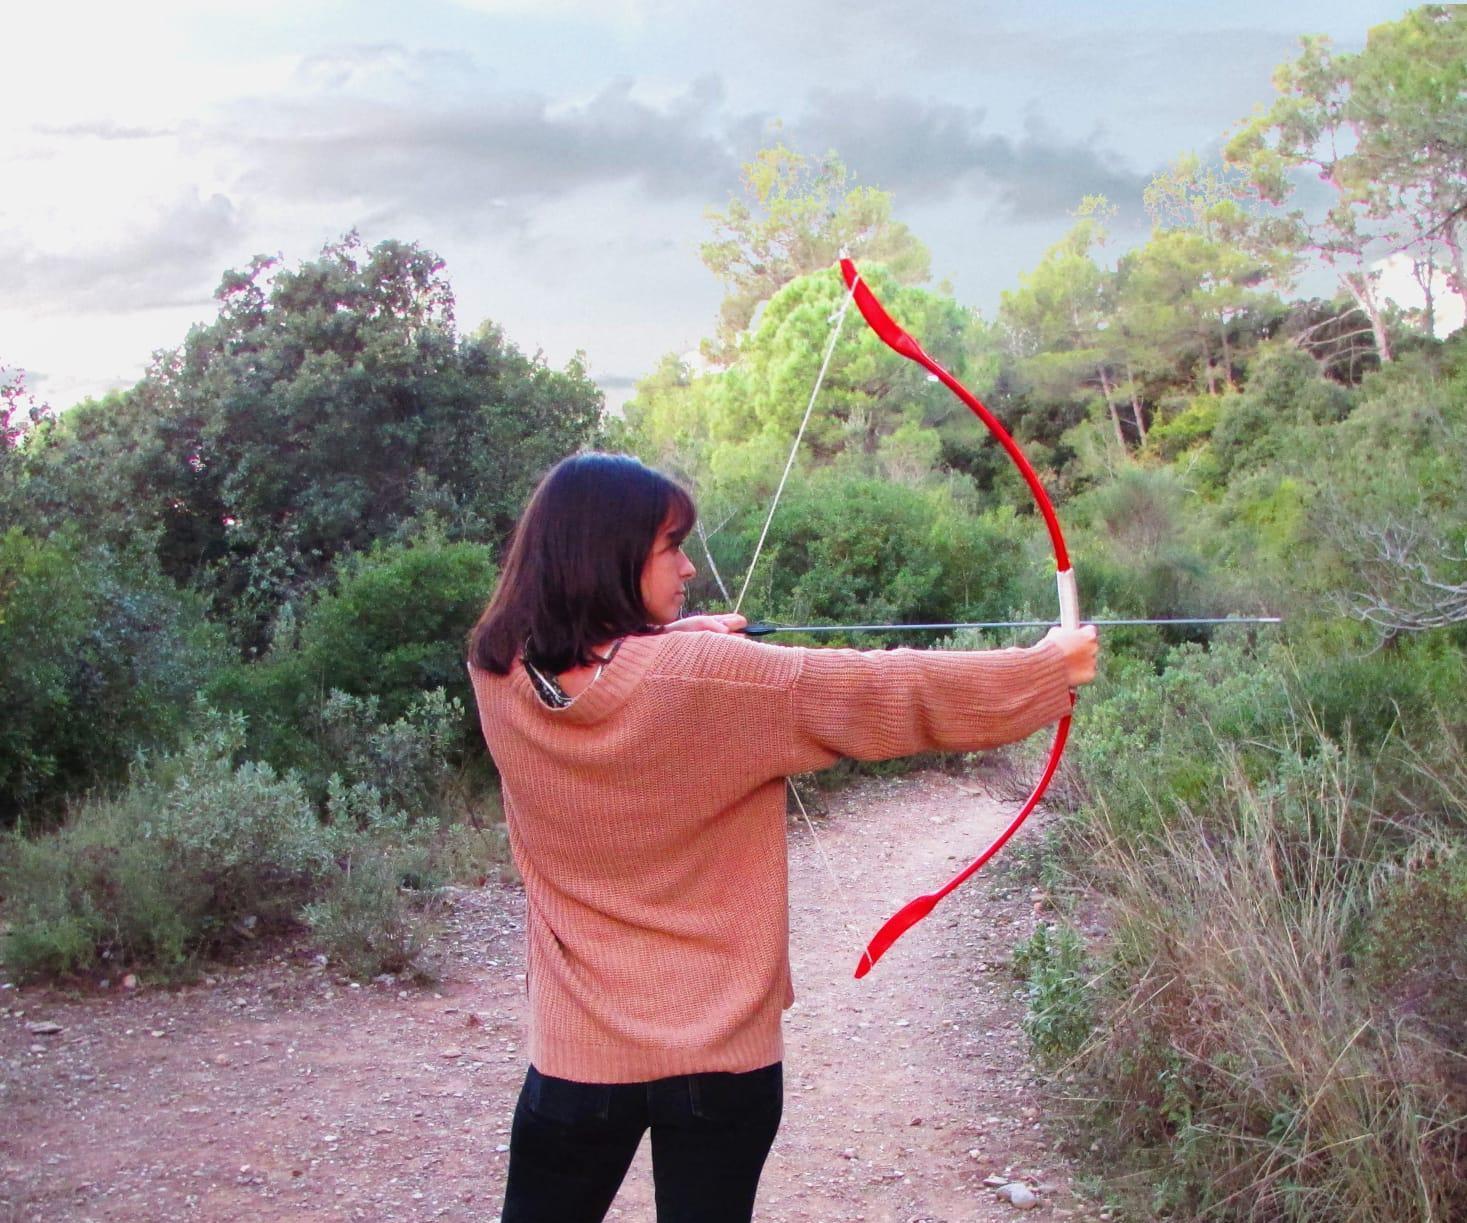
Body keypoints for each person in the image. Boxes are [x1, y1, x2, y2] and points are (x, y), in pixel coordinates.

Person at [466, 452, 1098, 1223]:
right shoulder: (710, 679)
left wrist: (668, 639)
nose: (689, 567)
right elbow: (883, 688)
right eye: (671, 545)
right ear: (609, 554)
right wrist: (1043, 669)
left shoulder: (495, 669)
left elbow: (602, 672)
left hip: (576, 1060)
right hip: (722, 1061)